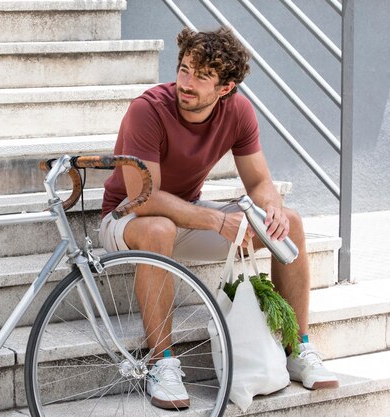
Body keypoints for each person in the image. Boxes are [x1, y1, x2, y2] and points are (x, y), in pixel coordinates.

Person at [98, 26, 339, 410]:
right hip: (126, 220)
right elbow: (142, 199)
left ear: (225, 88)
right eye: (184, 69)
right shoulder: (148, 110)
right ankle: (162, 364)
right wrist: (212, 221)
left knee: (289, 223)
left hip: (187, 219)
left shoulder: (238, 112)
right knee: (160, 227)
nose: (187, 82)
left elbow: (258, 180)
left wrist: (271, 205)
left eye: (202, 76)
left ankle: (298, 348)